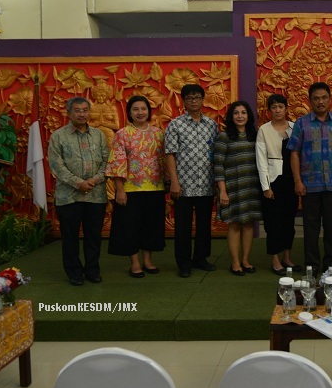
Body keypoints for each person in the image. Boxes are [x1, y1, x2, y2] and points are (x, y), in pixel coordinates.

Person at [48, 97, 110, 286]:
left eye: (85, 110)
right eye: (77, 110)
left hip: (95, 195)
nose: (82, 114)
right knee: (70, 237)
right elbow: (57, 166)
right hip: (68, 196)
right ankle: (74, 272)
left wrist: (94, 180)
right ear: (69, 113)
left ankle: (92, 270)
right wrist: (78, 183)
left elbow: (107, 162)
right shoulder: (58, 136)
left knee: (93, 236)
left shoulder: (99, 135)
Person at [288, 82, 332, 272]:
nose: (320, 102)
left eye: (324, 98)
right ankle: (312, 266)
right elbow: (294, 153)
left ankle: (330, 265)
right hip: (309, 185)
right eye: (316, 98)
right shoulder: (301, 123)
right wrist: (298, 180)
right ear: (309, 101)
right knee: (310, 228)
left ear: (330, 99)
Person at [106, 95, 167, 278]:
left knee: (151, 226)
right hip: (130, 190)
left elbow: (164, 161)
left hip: (155, 188)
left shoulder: (158, 133)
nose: (140, 112)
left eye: (143, 109)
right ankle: (134, 263)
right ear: (129, 113)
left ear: (149, 111)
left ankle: (148, 261)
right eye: (136, 109)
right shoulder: (122, 134)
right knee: (130, 227)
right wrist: (120, 189)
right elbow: (117, 162)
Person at [165, 84, 218, 278]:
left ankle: (201, 258)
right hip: (183, 185)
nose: (193, 101)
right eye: (189, 98)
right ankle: (184, 263)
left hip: (206, 183)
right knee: (183, 227)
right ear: (184, 101)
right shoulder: (175, 125)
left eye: (197, 98)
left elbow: (216, 154)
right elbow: (170, 154)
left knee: (204, 225)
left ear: (203, 100)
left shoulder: (212, 125)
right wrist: (174, 182)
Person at [215, 100, 262, 276]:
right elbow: (218, 165)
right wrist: (223, 191)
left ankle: (245, 260)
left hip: (251, 187)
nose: (240, 116)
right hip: (232, 187)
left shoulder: (255, 135)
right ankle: (235, 263)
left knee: (249, 223)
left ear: (249, 116)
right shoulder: (224, 137)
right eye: (236, 113)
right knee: (234, 224)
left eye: (243, 112)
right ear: (231, 116)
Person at [256, 94, 300, 276]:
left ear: (286, 109)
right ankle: (275, 259)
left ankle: (287, 257)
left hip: (291, 180)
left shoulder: (294, 128)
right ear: (269, 110)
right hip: (273, 180)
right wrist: (266, 187)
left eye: (281, 107)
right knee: (273, 222)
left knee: (289, 221)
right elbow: (261, 160)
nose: (277, 110)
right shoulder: (263, 130)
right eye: (274, 107)